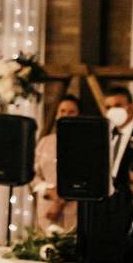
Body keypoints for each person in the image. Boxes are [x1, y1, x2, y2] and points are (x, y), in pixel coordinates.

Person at [32, 94, 80, 231]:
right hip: (47, 206)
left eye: (71, 112)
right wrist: (47, 189)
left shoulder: (85, 143)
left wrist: (60, 201)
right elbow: (33, 174)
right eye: (62, 111)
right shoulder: (45, 142)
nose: (66, 115)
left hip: (74, 209)